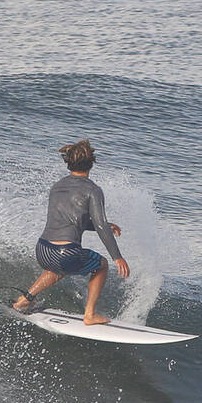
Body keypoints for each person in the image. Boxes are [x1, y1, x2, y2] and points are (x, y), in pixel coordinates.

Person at [13, 139, 130, 324]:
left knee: (60, 267)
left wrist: (106, 225)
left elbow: (72, 221)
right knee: (101, 265)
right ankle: (90, 315)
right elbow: (99, 225)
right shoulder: (93, 190)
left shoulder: (57, 186)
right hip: (65, 253)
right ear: (91, 163)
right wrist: (117, 256)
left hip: (43, 250)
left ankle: (24, 301)